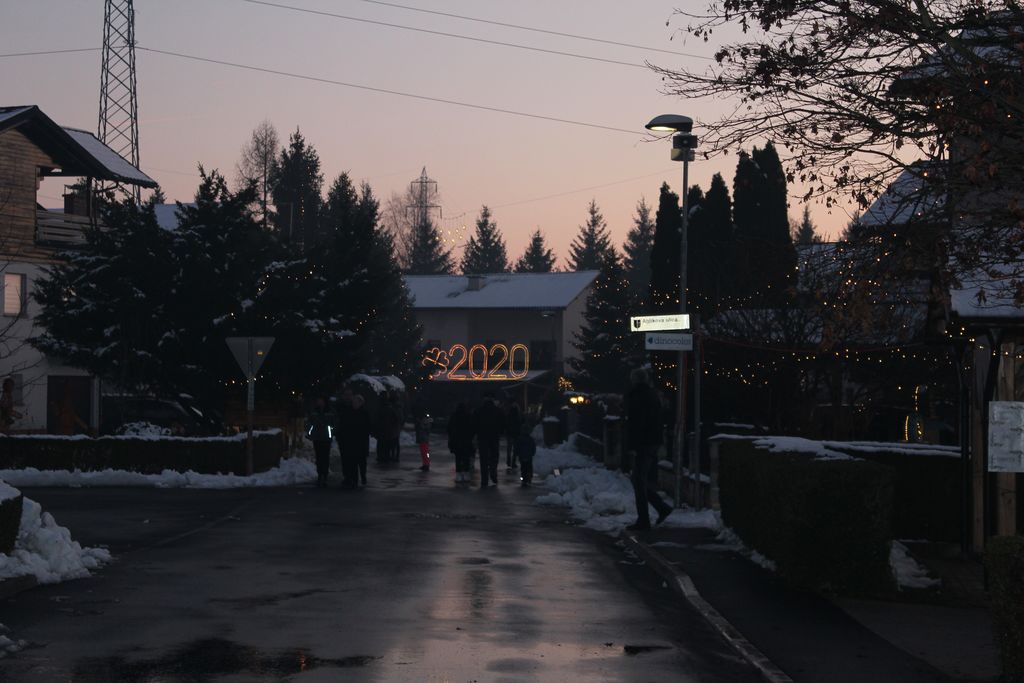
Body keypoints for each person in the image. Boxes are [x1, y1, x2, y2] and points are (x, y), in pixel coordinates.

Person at [625, 368, 673, 530]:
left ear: (635, 380)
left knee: (638, 480)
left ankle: (645, 519)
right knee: (639, 480)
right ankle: (660, 508)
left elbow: (637, 423)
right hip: (652, 441)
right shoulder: (651, 395)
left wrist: (633, 446)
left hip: (644, 443)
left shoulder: (638, 396)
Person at [336, 387, 370, 489]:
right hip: (347, 439)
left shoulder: (363, 413)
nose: (348, 397)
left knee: (359, 460)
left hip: (359, 440)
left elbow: (367, 426)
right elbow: (342, 424)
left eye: (350, 395)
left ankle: (359, 477)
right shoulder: (344, 409)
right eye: (346, 395)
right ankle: (350, 478)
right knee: (350, 460)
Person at [474, 392, 504, 489]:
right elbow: (502, 423)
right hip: (494, 437)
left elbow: (475, 424)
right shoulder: (498, 410)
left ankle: (484, 480)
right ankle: (493, 473)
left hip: (482, 437)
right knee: (494, 457)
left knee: (483, 459)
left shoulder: (479, 410)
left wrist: (476, 434)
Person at [305, 396, 336, 488]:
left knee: (325, 457)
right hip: (317, 437)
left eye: (321, 400)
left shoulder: (330, 411)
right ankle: (320, 475)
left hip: (326, 437)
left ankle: (325, 476)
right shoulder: (314, 411)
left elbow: (334, 422)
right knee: (318, 457)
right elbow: (309, 422)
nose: (319, 402)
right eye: (318, 400)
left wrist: (330, 430)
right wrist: (311, 430)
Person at [448, 402, 476, 484]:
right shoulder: (468, 416)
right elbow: (472, 428)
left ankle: (458, 474)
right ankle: (466, 474)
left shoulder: (454, 416)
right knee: (466, 458)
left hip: (456, 440)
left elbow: (449, 428)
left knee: (458, 458)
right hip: (466, 440)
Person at [514, 422, 536, 487]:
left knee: (523, 468)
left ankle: (523, 479)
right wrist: (532, 453)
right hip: (529, 456)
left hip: (522, 456)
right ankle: (529, 477)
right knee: (529, 467)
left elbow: (516, 447)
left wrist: (517, 453)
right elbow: (533, 447)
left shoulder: (519, 439)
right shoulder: (530, 439)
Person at [505, 400, 523, 473]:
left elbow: (506, 423)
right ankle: (513, 462)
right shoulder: (517, 415)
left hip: (509, 433)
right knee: (515, 449)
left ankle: (508, 460)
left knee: (509, 448)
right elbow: (520, 423)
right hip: (516, 434)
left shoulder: (508, 414)